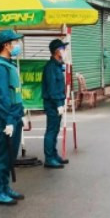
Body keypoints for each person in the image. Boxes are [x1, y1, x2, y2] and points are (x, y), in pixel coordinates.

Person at [0, 29, 26, 205]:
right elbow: (3, 97)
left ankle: (5, 187)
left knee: (11, 154)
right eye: (15, 42)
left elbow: (15, 94)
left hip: (14, 116)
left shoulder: (9, 65)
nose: (18, 45)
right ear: (6, 45)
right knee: (3, 154)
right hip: (5, 118)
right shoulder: (0, 68)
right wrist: (9, 121)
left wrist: (20, 114)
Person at [42, 39, 69, 169]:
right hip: (53, 104)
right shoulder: (51, 67)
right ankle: (49, 158)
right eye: (63, 49)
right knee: (51, 131)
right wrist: (58, 104)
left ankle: (54, 154)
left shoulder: (57, 65)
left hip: (57, 103)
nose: (65, 51)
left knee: (55, 130)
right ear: (57, 51)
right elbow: (53, 88)